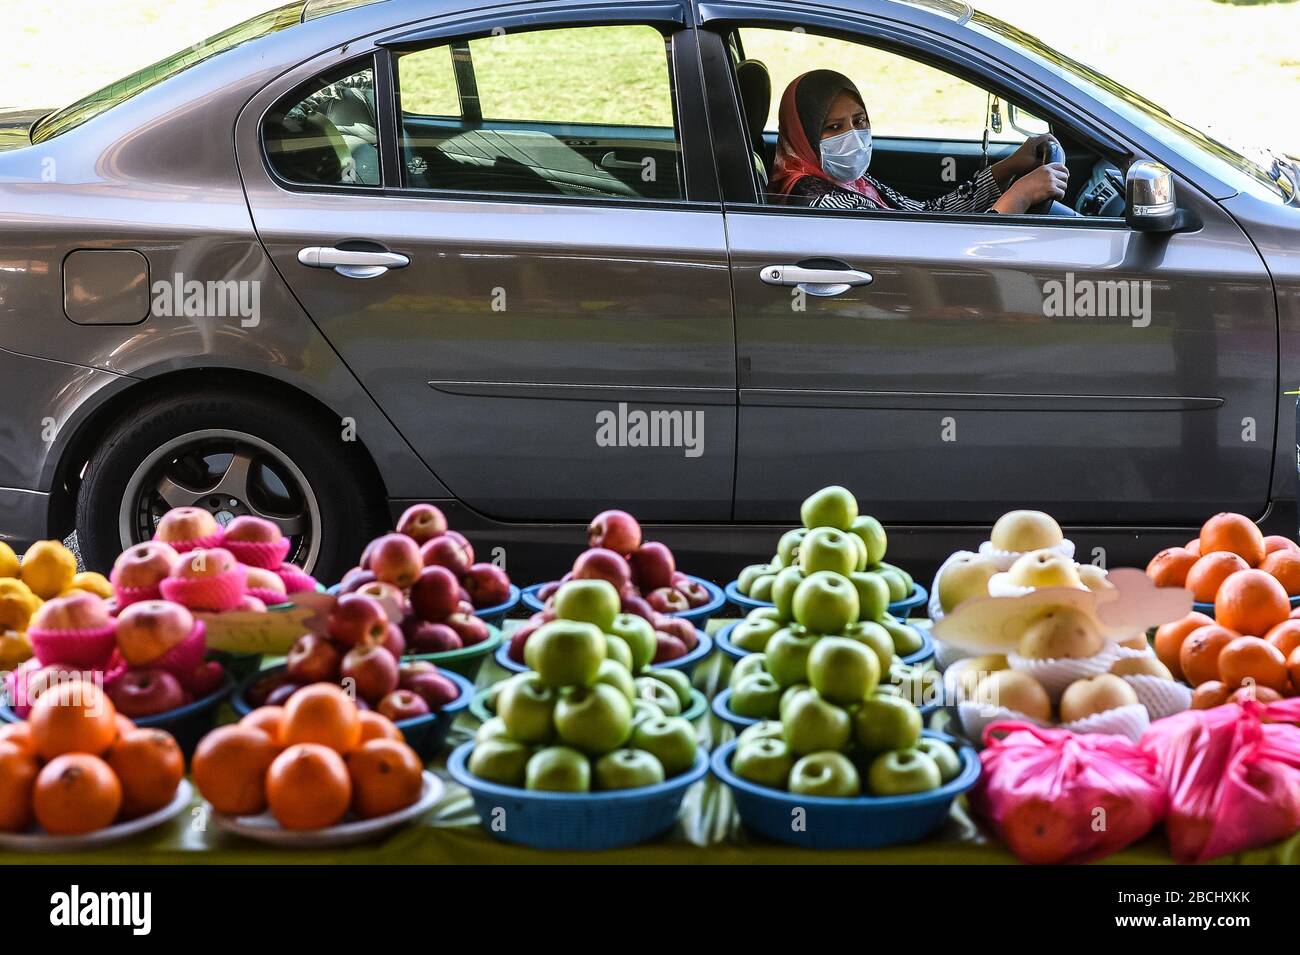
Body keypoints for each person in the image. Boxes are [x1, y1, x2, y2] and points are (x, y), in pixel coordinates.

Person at [769, 69, 1067, 214]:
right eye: (833, 127)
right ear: (803, 135)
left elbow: (925, 215)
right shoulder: (824, 202)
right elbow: (945, 254)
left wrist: (1008, 167)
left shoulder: (845, 180)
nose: (853, 136)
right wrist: (1019, 197)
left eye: (859, 121)